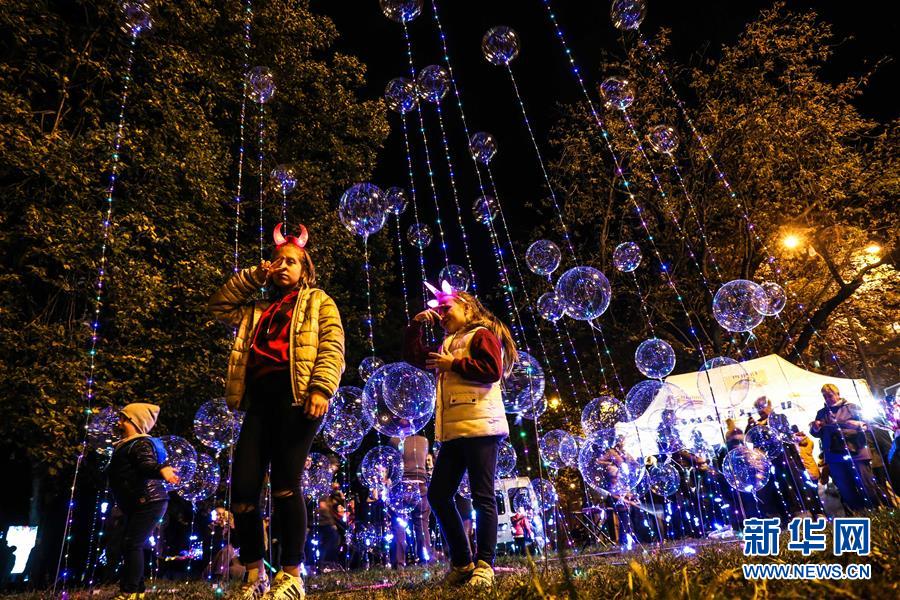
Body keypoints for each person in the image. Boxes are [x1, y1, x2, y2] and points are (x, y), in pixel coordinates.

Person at [208, 224, 344, 600]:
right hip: (259, 402)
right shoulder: (257, 310)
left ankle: (291, 576)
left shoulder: (319, 301)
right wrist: (255, 274)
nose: (283, 266)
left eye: (291, 262)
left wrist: (321, 387)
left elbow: (332, 346)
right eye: (278, 261)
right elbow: (219, 306)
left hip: (297, 399)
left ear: (305, 269)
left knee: (285, 485)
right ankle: (255, 576)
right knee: (242, 491)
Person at [403, 280, 517, 587]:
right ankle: (463, 562)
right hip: (454, 431)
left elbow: (491, 370)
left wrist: (454, 364)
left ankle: (485, 565)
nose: (441, 315)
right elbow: (415, 357)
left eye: (446, 308)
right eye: (438, 311)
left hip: (481, 426)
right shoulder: (447, 343)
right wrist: (416, 325)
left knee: (482, 495)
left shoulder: (482, 335)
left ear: (467, 308)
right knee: (438, 494)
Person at [106, 403, 180, 600]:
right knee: (129, 543)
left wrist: (161, 470)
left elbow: (146, 464)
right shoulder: (127, 444)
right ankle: (137, 590)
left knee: (132, 543)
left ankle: (129, 591)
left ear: (134, 421)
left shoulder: (140, 444)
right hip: (139, 502)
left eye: (123, 419)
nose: (119, 423)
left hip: (149, 501)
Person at [809, 384, 883, 512]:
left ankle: (876, 512)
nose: (827, 398)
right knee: (845, 489)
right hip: (834, 457)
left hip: (857, 453)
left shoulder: (852, 407)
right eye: (825, 396)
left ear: (838, 394)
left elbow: (870, 424)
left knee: (866, 484)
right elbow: (816, 433)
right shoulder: (821, 413)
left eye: (830, 395)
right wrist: (815, 428)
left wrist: (859, 425)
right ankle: (858, 514)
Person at [389, 435, 432, 566]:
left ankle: (399, 563)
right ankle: (425, 560)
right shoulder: (424, 440)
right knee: (422, 524)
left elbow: (392, 465)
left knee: (399, 525)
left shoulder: (394, 440)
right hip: (420, 486)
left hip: (401, 486)